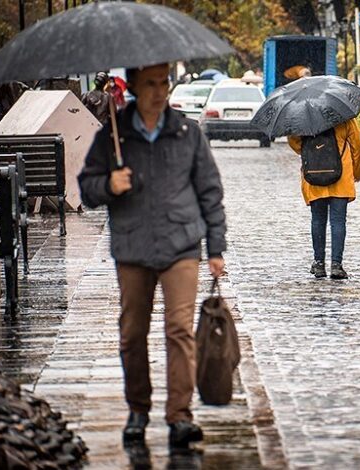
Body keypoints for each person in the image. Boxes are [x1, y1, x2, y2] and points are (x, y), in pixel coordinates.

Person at [78, 63, 227, 449]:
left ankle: (179, 416)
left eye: (164, 83)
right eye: (151, 84)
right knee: (132, 333)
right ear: (134, 88)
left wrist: (216, 248)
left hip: (181, 245)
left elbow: (210, 190)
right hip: (133, 245)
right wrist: (109, 184)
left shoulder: (187, 132)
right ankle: (138, 409)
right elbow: (86, 190)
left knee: (179, 330)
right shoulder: (114, 134)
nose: (160, 91)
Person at [288, 119, 360, 280]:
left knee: (317, 220)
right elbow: (357, 145)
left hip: (314, 175)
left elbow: (295, 143)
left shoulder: (302, 119)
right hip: (341, 177)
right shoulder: (345, 118)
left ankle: (319, 263)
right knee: (338, 221)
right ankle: (336, 265)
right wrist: (357, 172)